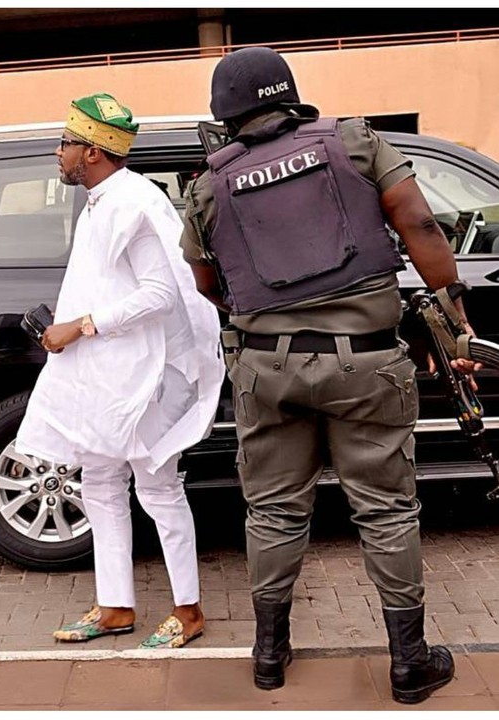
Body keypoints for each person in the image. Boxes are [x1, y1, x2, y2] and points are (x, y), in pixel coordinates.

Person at [180, 47, 480, 703]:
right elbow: (420, 221)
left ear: (224, 114)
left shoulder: (208, 185)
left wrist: (264, 313)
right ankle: (408, 663)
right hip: (367, 364)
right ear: (288, 94)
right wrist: (454, 314)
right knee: (387, 512)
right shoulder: (352, 142)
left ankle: (268, 655)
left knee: (274, 514)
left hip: (268, 368)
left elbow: (206, 283)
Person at [16, 92, 224, 649]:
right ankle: (115, 607)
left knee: (158, 488)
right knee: (101, 482)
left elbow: (159, 294)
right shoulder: (99, 202)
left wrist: (80, 325)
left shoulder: (134, 203)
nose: (57, 153)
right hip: (107, 374)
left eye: (66, 143)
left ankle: (189, 610)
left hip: (147, 376)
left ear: (93, 152)